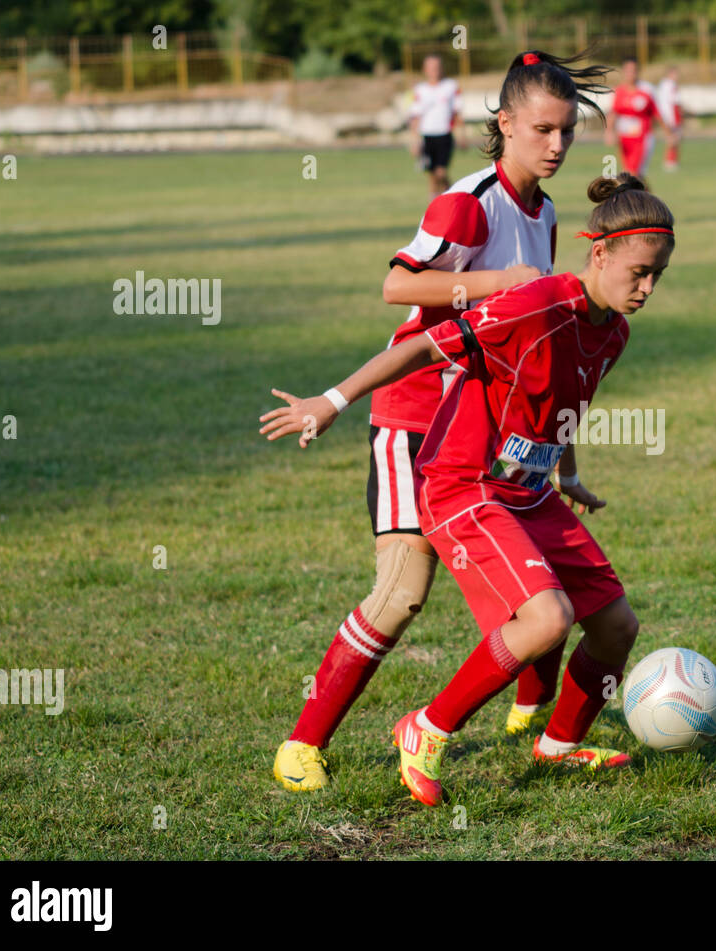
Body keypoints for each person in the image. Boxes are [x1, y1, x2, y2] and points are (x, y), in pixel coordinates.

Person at [259, 174, 675, 807]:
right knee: (544, 618)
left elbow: (562, 407)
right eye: (639, 272)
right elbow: (424, 346)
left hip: (528, 492)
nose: (647, 289)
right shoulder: (534, 303)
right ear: (601, 254)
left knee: (617, 626)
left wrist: (567, 475)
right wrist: (333, 401)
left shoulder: (612, 329)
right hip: (465, 485)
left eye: (658, 277)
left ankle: (559, 747)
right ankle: (425, 728)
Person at [270, 50, 611, 793]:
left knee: (537, 583)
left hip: (484, 430)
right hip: (413, 418)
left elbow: (539, 347)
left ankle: (531, 706)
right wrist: (333, 399)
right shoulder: (468, 201)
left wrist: (564, 464)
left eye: (567, 134)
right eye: (543, 130)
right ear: (505, 124)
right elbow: (398, 284)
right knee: (404, 591)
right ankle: (303, 741)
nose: (556, 146)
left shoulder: (547, 211)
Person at [605, 56, 677, 179]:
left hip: (643, 138)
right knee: (631, 175)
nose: (630, 74)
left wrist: (669, 134)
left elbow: (657, 114)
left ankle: (642, 198)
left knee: (633, 175)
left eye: (633, 70)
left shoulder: (646, 91)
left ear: (638, 71)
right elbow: (613, 113)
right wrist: (609, 131)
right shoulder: (619, 91)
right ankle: (648, 198)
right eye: (627, 71)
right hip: (625, 139)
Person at [407, 55, 463, 197]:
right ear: (425, 70)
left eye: (437, 67)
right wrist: (414, 141)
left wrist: (462, 134)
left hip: (444, 134)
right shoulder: (420, 90)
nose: (435, 70)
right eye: (431, 68)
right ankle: (435, 207)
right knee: (432, 175)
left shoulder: (451, 86)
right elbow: (415, 116)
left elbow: (457, 113)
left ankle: (453, 197)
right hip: (427, 136)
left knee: (441, 172)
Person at [655, 65, 683, 171]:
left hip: (667, 116)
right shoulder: (670, 85)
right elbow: (674, 102)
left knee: (674, 139)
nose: (677, 76)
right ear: (670, 74)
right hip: (671, 116)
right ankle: (670, 162)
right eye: (675, 74)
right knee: (673, 139)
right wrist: (674, 117)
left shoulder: (663, 85)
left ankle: (672, 161)